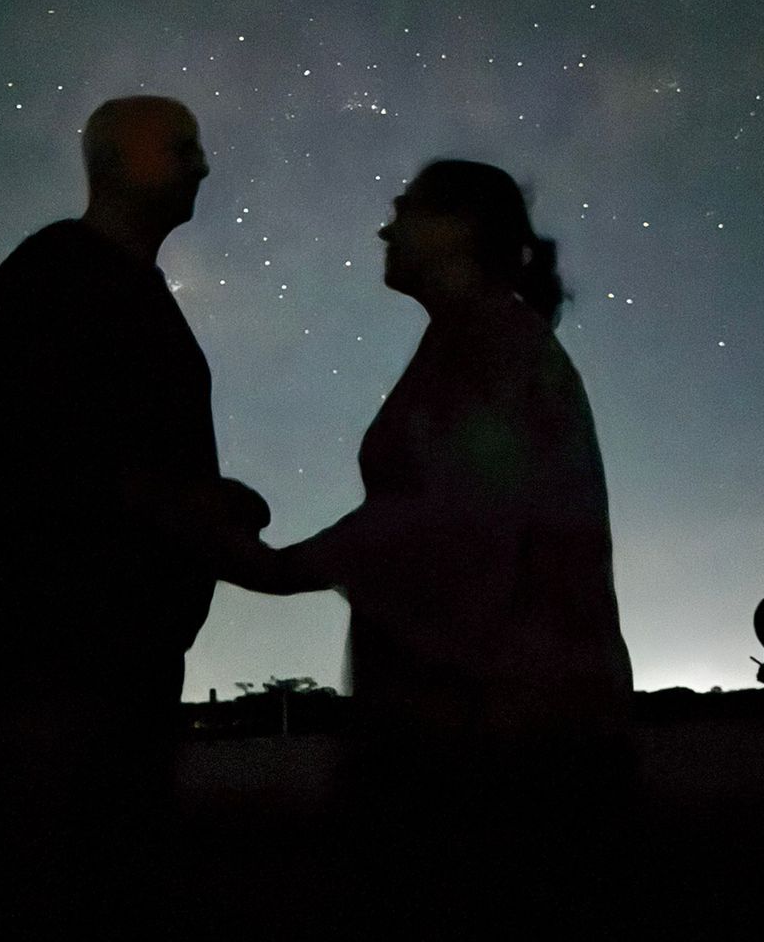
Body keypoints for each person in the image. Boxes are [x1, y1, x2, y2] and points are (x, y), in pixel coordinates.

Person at [226, 160, 639, 933]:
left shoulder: (486, 341)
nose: (385, 228)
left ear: (459, 229)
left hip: (497, 750)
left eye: (403, 209)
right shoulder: (477, 340)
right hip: (499, 734)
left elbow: (442, 515)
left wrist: (276, 569)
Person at [0, 95, 269, 936]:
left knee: (108, 886)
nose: (204, 165)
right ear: (123, 159)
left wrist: (205, 511)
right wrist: (186, 503)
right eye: (184, 147)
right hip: (47, 645)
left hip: (121, 654)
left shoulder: (135, 293)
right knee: (43, 886)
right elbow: (1, 440)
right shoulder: (55, 268)